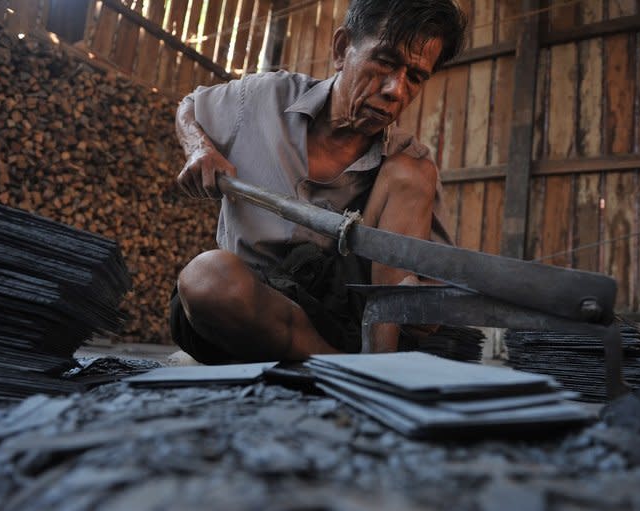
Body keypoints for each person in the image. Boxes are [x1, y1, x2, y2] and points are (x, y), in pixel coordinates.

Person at [171, 0, 467, 364]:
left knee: (413, 170)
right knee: (206, 278)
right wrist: (197, 147)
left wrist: (423, 303)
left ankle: (374, 367)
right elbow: (189, 105)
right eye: (386, 62)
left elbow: (426, 291)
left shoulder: (409, 164)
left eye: (415, 77)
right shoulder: (265, 98)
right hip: (244, 311)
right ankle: (345, 372)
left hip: (338, 326)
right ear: (342, 49)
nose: (395, 89)